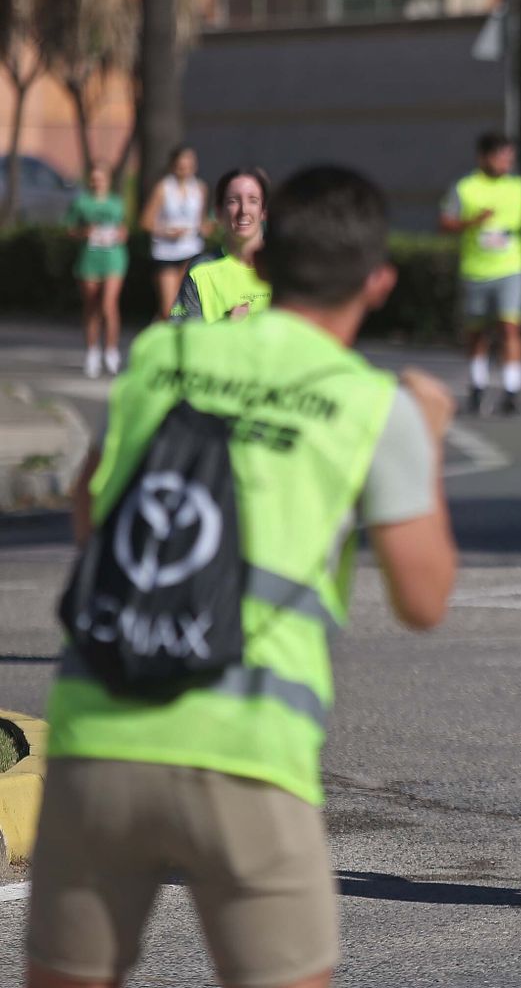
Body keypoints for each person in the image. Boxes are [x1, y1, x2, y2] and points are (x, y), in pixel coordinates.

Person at [26, 165, 459, 988]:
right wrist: (425, 443)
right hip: (248, 751)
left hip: (99, 731)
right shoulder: (371, 404)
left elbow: (89, 514)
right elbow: (424, 598)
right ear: (379, 281)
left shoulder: (164, 352)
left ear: (263, 260)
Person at [439, 131, 521, 416]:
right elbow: (445, 222)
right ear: (483, 157)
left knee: (510, 328)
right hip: (475, 270)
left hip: (511, 268)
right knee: (477, 332)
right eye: (499, 157)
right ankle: (477, 385)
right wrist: (471, 222)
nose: (506, 162)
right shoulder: (465, 187)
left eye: (509, 157)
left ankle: (511, 390)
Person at [170, 166, 272, 323]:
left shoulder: (285, 267)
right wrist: (225, 327)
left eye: (253, 200)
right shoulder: (201, 269)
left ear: (264, 211)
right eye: (233, 201)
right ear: (218, 212)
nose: (244, 210)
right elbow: (181, 338)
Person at [65, 164, 130, 378]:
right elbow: (70, 229)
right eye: (93, 179)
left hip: (113, 257)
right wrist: (84, 232)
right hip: (90, 258)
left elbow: (123, 228)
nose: (97, 182)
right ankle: (92, 351)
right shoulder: (81, 202)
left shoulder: (116, 202)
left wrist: (122, 234)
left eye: (100, 178)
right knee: (92, 306)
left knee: (109, 304)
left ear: (108, 180)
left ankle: (111, 350)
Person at [140, 145, 210, 320]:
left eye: (189, 166)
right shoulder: (163, 188)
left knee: (187, 304)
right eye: (181, 166)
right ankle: (161, 339)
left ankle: (180, 343)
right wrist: (166, 231)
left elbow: (201, 220)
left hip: (191, 249)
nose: (185, 170)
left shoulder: (200, 188)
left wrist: (207, 227)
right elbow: (145, 222)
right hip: (166, 251)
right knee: (169, 307)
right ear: (173, 166)